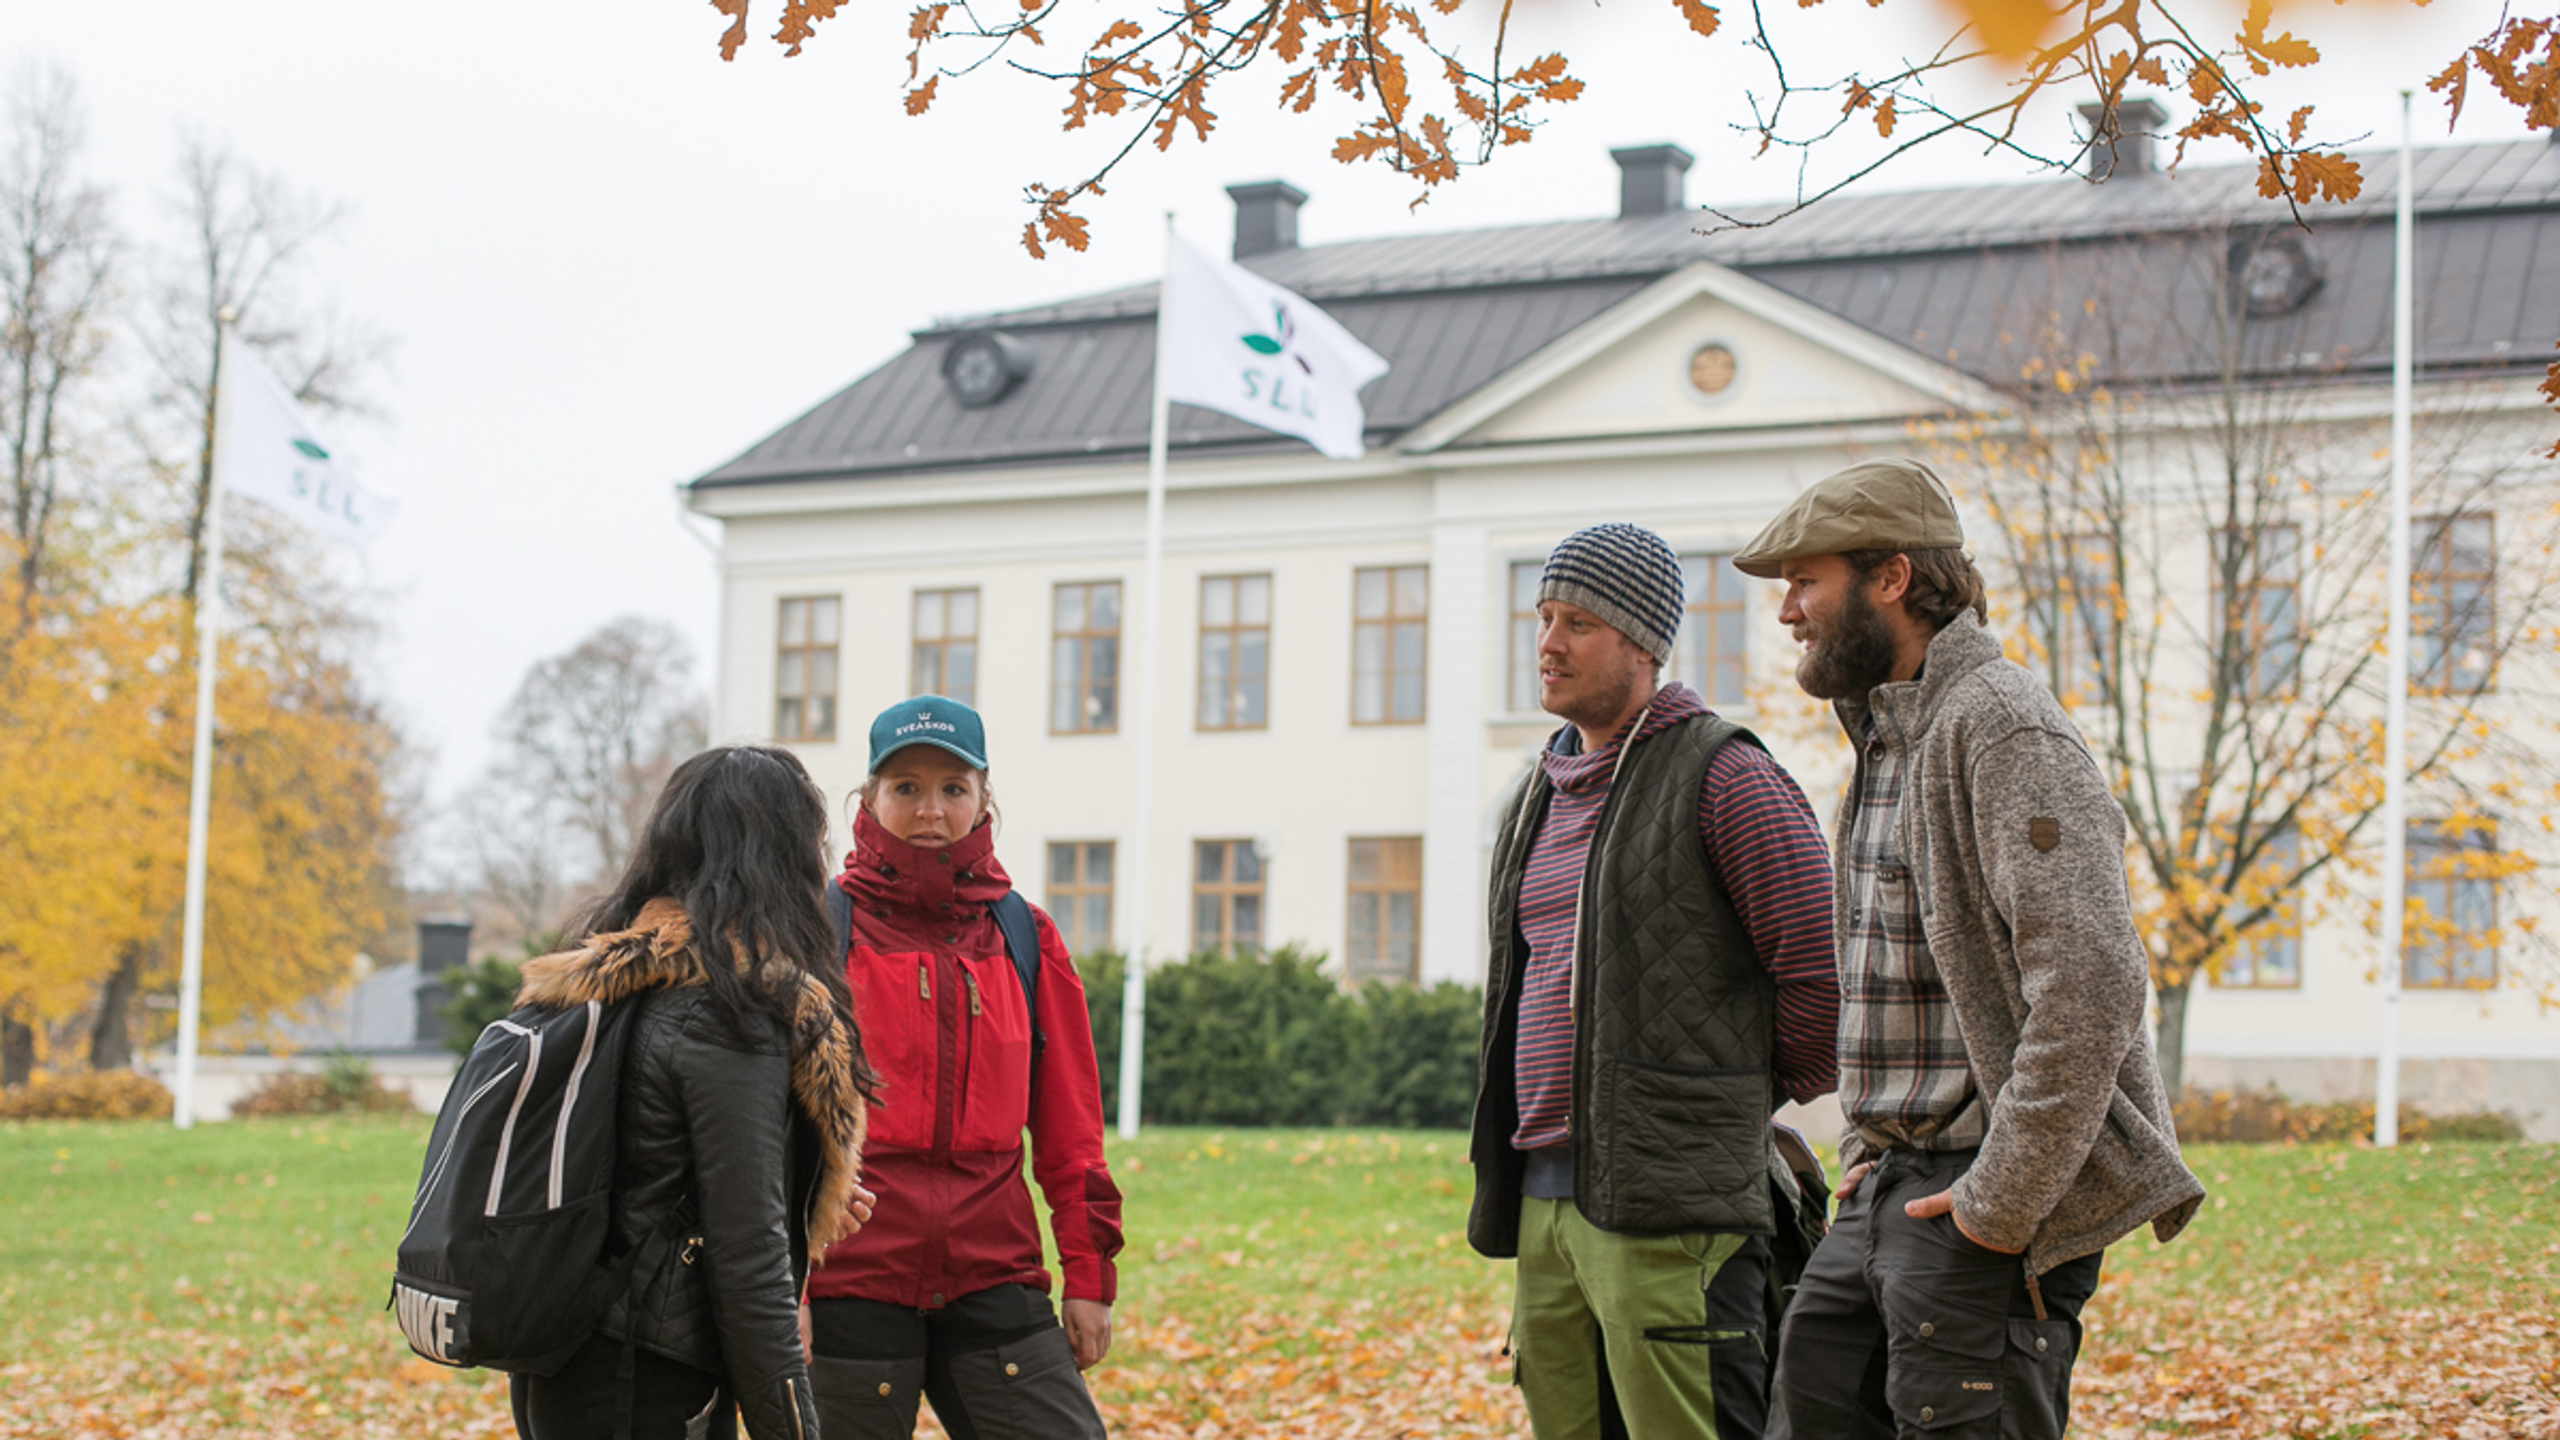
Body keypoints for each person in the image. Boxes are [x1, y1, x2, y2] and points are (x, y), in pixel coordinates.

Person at [1735, 458, 2206, 1440]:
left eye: (1805, 581)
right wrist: (1867, 1147)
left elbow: (2091, 987)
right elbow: (1890, 984)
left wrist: (1998, 1203)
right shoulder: (1883, 742)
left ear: (1892, 577)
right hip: (1887, 1186)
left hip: (1982, 1200)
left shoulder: (2001, 728)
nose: (1787, 611)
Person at [1468, 523, 1843, 1440]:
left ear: (1642, 643)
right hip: (1546, 1196)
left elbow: (1819, 973)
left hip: (1675, 1209)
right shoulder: (1536, 792)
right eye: (1544, 616)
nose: (1549, 641)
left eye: (1579, 623)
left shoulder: (1727, 775)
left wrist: (1726, 1104)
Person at [508, 744, 876, 1440]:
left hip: (564, 1358)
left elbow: (641, 1171)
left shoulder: (612, 974)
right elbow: (749, 1262)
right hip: (645, 1377)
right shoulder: (726, 1010)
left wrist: (792, 1181)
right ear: (780, 860)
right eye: (812, 843)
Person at [803, 695, 1123, 1440]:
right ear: (869, 798)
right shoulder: (818, 932)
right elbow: (769, 1131)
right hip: (850, 1278)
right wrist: (785, 1288)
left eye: (953, 788)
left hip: (994, 1270)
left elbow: (1071, 1127)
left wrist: (1089, 1273)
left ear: (984, 799)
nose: (929, 810)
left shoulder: (1024, 935)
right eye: (906, 787)